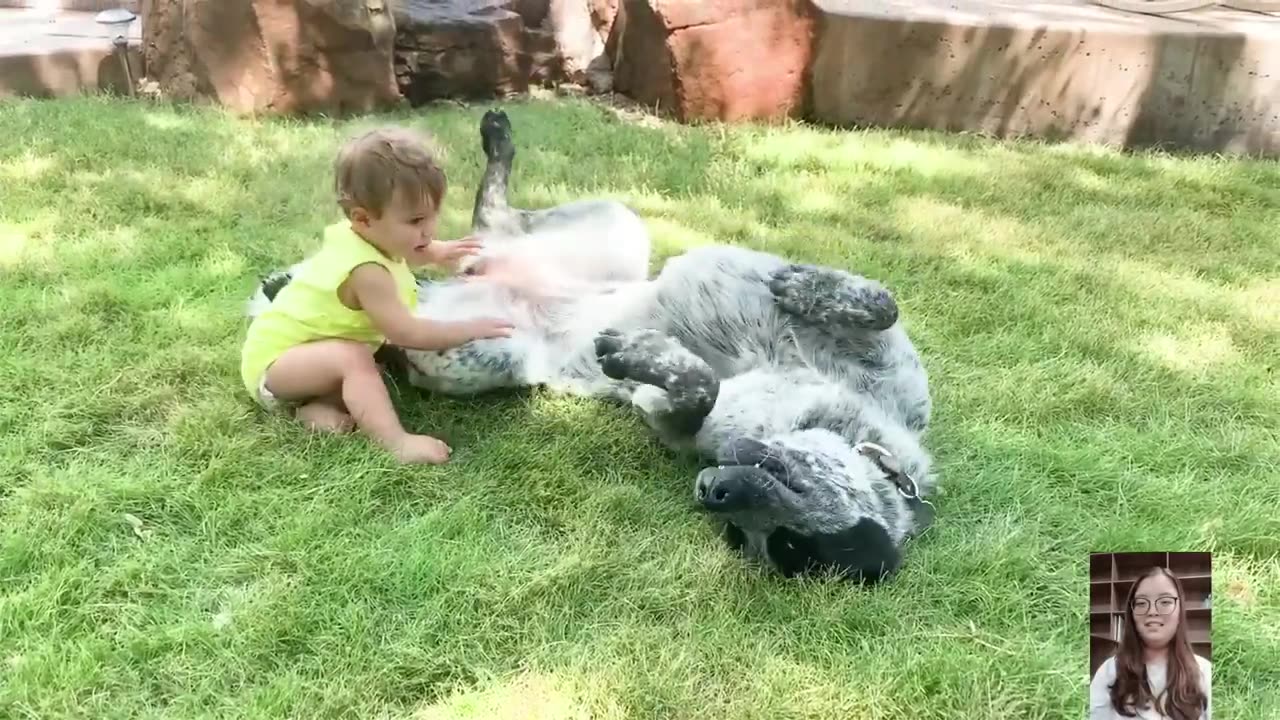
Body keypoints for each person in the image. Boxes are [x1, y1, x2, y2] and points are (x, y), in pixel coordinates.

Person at [240, 125, 514, 464]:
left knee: (368, 365)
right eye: (416, 221)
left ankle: (314, 410)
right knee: (353, 360)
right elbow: (408, 333)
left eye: (433, 216)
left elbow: (407, 250)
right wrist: (469, 328)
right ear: (363, 219)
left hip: (307, 355)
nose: (429, 230)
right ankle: (398, 443)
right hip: (276, 363)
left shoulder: (370, 235)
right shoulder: (367, 272)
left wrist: (438, 252)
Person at [1089, 565, 1212, 720]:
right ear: (1131, 614)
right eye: (1141, 603)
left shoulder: (1205, 672)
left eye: (1165, 602)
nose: (1152, 611)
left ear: (1180, 611)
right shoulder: (1109, 671)